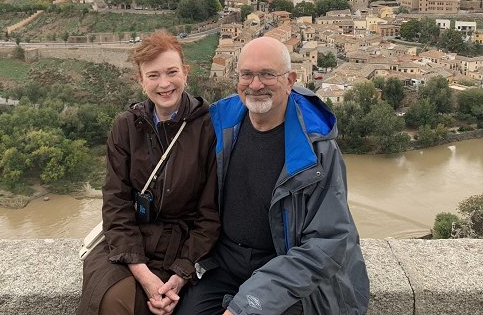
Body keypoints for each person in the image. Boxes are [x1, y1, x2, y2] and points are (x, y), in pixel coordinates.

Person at [177, 36, 369, 315]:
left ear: (290, 80)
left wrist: (248, 304)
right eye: (247, 75)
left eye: (268, 74)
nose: (255, 85)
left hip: (286, 271)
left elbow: (328, 240)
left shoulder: (317, 148)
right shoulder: (220, 127)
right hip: (225, 266)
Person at [77, 30, 220, 315]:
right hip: (129, 242)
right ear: (141, 81)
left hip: (184, 249)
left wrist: (179, 276)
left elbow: (210, 215)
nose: (164, 84)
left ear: (185, 73)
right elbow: (116, 204)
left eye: (172, 72)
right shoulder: (126, 127)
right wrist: (143, 274)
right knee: (113, 300)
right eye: (153, 75)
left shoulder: (209, 127)